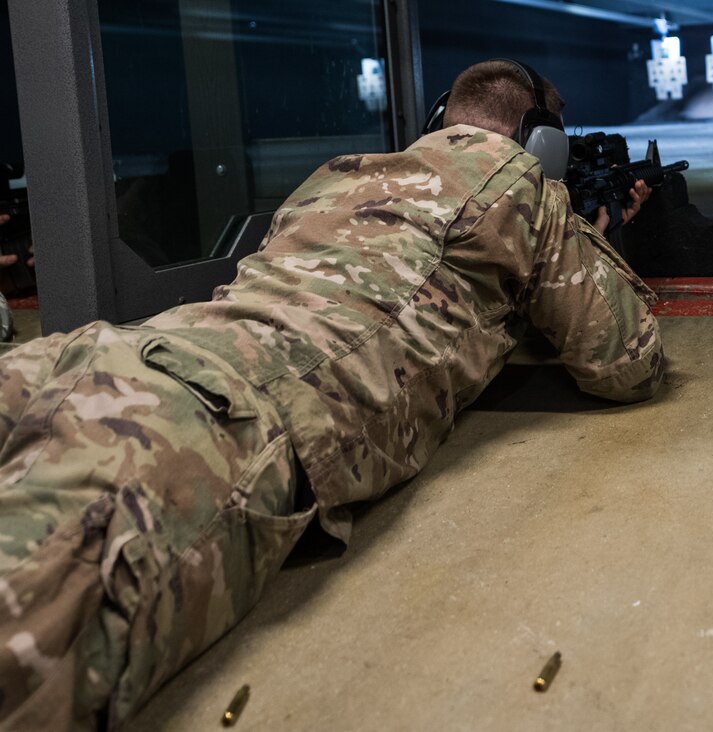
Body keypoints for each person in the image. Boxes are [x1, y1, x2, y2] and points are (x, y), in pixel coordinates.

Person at [0, 59, 664, 728]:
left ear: (438, 121)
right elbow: (625, 362)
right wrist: (581, 235)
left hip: (91, 356)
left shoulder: (336, 175)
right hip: (205, 415)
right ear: (542, 142)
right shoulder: (523, 185)